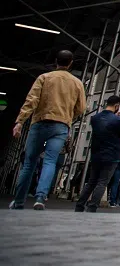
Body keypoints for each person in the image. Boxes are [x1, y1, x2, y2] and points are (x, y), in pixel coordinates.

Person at [10, 49, 86, 210]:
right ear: (71, 63)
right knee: (50, 161)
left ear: (56, 62)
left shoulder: (44, 78)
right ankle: (40, 198)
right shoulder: (77, 83)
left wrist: (19, 122)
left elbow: (31, 101)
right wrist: (68, 116)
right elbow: (81, 108)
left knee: (29, 163)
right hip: (61, 125)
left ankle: (18, 201)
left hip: (40, 122)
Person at [75, 95, 120, 213]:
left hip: (96, 154)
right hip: (111, 155)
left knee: (92, 181)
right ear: (117, 106)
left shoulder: (95, 118)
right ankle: (92, 206)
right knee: (102, 182)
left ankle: (79, 205)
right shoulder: (117, 120)